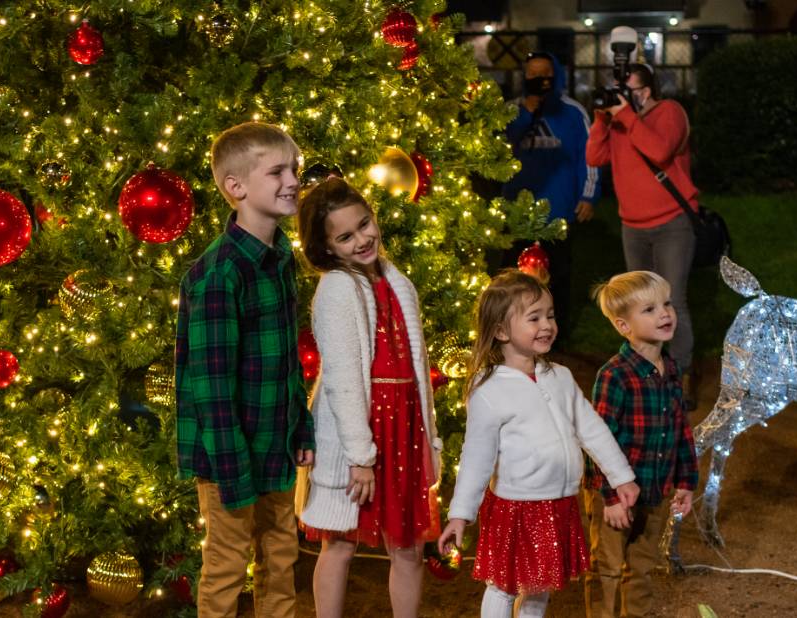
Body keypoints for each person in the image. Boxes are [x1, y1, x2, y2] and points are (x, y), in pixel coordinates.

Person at [437, 270, 639, 618]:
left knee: (541, 586)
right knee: (503, 584)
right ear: (501, 331)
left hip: (558, 502)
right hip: (516, 507)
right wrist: (459, 515)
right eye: (534, 318)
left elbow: (591, 428)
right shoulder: (489, 391)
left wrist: (621, 476)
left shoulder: (559, 376)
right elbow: (476, 459)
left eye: (550, 315)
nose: (546, 324)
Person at [175, 121, 314, 618]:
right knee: (228, 565)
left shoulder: (279, 259)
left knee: (281, 557)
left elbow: (286, 361)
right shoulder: (220, 275)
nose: (292, 180)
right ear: (236, 188)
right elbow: (211, 390)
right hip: (229, 456)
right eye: (276, 171)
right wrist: (233, 472)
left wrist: (301, 424)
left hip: (274, 444)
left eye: (294, 169)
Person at [296, 177, 443, 618]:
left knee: (409, 546)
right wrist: (360, 455)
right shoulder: (337, 288)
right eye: (345, 236)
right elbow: (341, 377)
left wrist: (429, 439)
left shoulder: (396, 281)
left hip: (404, 424)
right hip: (359, 430)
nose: (362, 239)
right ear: (327, 247)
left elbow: (417, 368)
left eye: (365, 224)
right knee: (339, 541)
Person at [585, 63, 701, 409]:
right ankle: (647, 371)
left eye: (628, 90)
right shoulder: (620, 122)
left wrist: (627, 117)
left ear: (646, 91)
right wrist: (602, 121)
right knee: (639, 303)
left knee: (671, 300)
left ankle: (681, 373)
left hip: (672, 223)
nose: (620, 98)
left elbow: (660, 151)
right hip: (632, 226)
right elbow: (594, 156)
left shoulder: (670, 112)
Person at [584, 271, 699, 618]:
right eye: (649, 309)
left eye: (666, 304)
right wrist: (610, 496)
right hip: (617, 496)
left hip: (656, 488)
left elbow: (680, 428)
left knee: (643, 566)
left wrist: (685, 482)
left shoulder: (671, 368)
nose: (664, 313)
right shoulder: (614, 375)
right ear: (623, 326)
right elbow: (597, 439)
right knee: (606, 566)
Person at [501, 51, 601, 338]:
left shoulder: (571, 112)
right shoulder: (512, 111)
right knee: (512, 274)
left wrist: (588, 195)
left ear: (554, 75)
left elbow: (589, 156)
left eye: (544, 74)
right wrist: (528, 113)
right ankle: (513, 332)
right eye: (532, 74)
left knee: (556, 275)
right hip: (517, 209)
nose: (538, 79)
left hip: (557, 208)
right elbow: (500, 152)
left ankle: (555, 337)